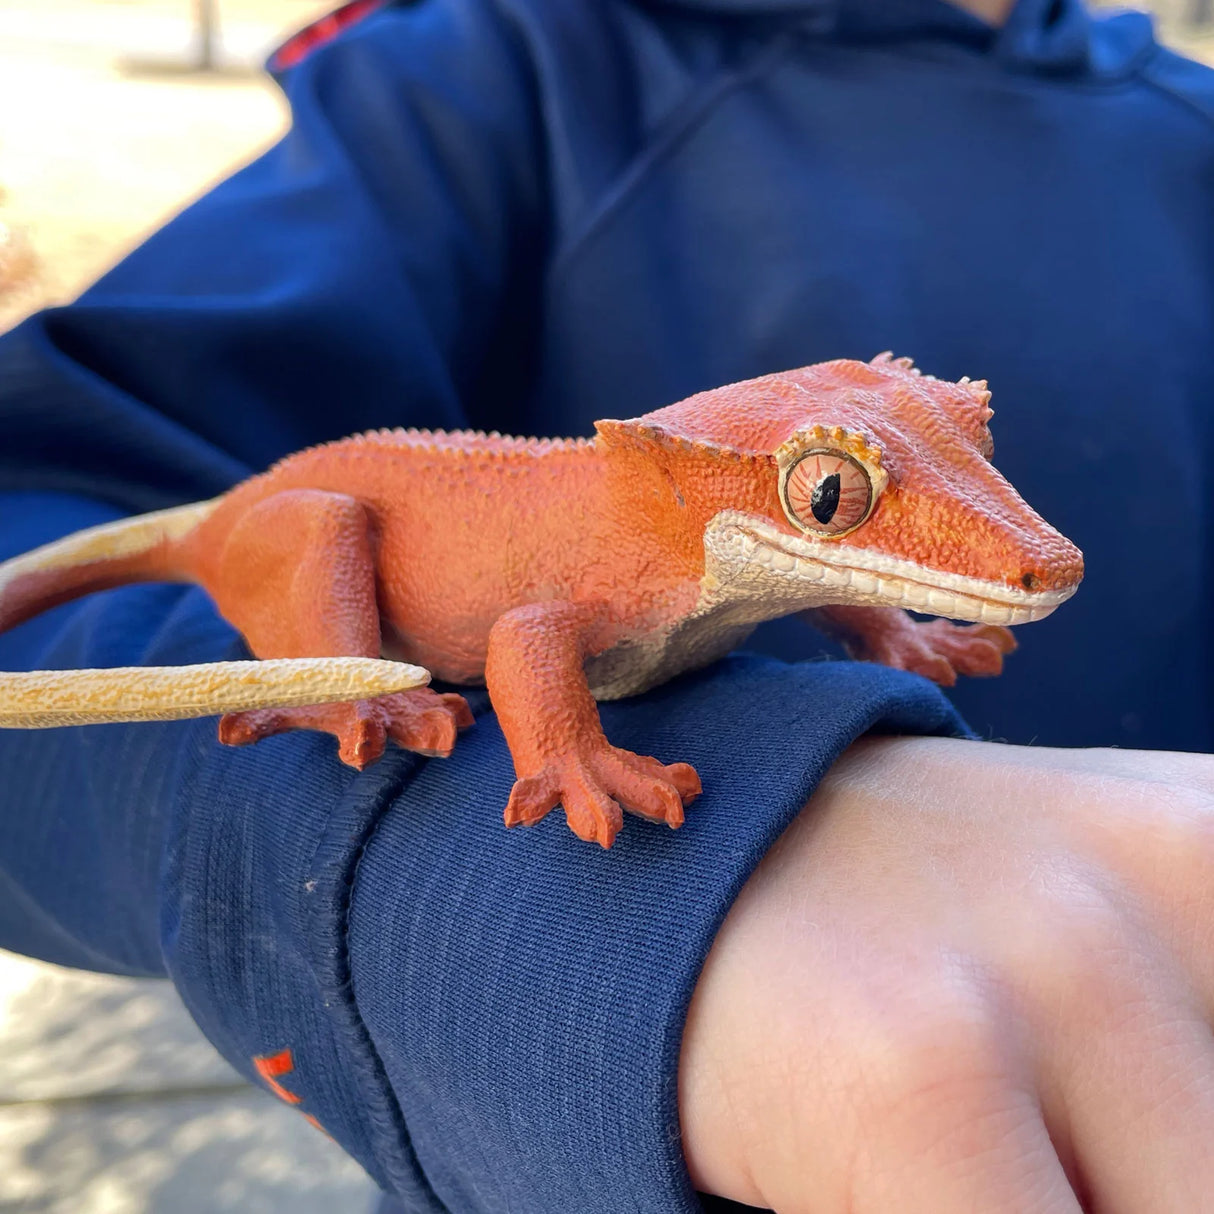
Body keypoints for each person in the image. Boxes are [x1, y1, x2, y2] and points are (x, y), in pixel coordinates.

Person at [1, 0, 1212, 1209]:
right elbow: (531, 634)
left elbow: (802, 563)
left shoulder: (1183, 134)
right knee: (323, 535)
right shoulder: (498, 60)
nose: (1023, 551)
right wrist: (565, 809)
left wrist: (876, 618)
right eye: (834, 492)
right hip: (305, 541)